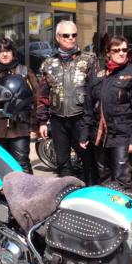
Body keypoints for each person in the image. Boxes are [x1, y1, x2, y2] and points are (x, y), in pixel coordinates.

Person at [82, 36, 132, 188]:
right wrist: (85, 133)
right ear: (108, 52)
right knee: (103, 177)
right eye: (116, 50)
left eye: (124, 50)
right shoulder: (99, 75)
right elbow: (89, 107)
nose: (121, 53)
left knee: (122, 178)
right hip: (100, 136)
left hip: (122, 136)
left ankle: (128, 203)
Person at [37, 20, 98, 185]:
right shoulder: (48, 63)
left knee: (88, 159)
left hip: (81, 118)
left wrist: (92, 120)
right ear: (58, 37)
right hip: (58, 119)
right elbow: (43, 94)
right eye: (66, 35)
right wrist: (42, 121)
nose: (71, 38)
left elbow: (95, 92)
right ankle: (67, 192)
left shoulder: (89, 60)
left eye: (74, 35)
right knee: (63, 161)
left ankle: (91, 191)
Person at [0, 38, 39, 173]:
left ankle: (26, 188)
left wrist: (34, 125)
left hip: (20, 127)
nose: (5, 54)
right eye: (1, 51)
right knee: (0, 166)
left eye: (7, 51)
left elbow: (36, 98)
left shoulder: (23, 71)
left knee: (21, 165)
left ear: (13, 53)